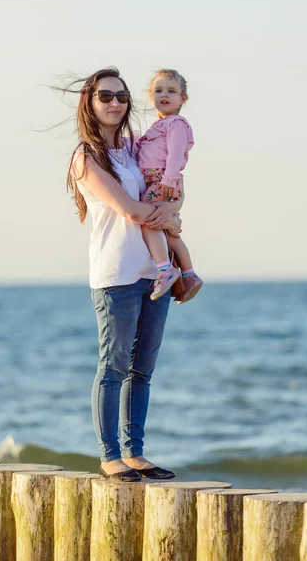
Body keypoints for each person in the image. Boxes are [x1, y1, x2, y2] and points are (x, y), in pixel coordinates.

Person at [65, 67, 181, 482]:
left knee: (143, 369)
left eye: (122, 96)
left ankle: (135, 453)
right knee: (113, 367)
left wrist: (172, 205)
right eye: (106, 97)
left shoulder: (134, 149)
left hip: (156, 271)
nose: (116, 103)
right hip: (116, 275)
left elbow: (166, 185)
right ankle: (109, 455)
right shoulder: (86, 157)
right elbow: (130, 209)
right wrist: (166, 214)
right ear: (90, 103)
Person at [137, 69, 204, 303]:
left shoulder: (176, 123)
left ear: (183, 99)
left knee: (148, 222)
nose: (164, 95)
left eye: (171, 91)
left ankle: (165, 268)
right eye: (159, 90)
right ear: (150, 95)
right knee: (168, 229)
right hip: (162, 181)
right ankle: (189, 274)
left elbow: (175, 154)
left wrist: (168, 179)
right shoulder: (158, 126)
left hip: (162, 180)